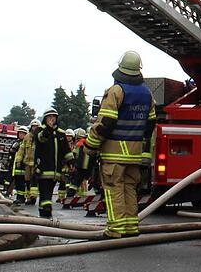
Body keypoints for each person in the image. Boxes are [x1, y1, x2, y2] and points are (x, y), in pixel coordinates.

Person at [84, 51, 157, 238]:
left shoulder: (116, 91)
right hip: (134, 153)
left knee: (113, 189)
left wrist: (90, 145)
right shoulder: (147, 94)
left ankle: (115, 229)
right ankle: (131, 227)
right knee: (129, 189)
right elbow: (150, 125)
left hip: (114, 153)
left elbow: (105, 123)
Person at [33, 109, 73, 219]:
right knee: (45, 190)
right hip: (43, 168)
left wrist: (71, 162)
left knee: (48, 192)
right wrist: (49, 129)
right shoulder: (41, 130)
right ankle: (47, 209)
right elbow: (41, 139)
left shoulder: (61, 133)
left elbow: (66, 150)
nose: (52, 119)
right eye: (49, 117)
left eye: (54, 117)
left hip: (56, 171)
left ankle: (43, 212)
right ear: (45, 119)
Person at [11, 125, 30, 204]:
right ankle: (20, 197)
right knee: (18, 183)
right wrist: (13, 149)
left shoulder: (28, 143)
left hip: (24, 166)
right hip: (17, 166)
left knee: (25, 183)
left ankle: (26, 198)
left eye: (23, 133)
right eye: (20, 133)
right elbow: (11, 153)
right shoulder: (16, 142)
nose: (21, 135)